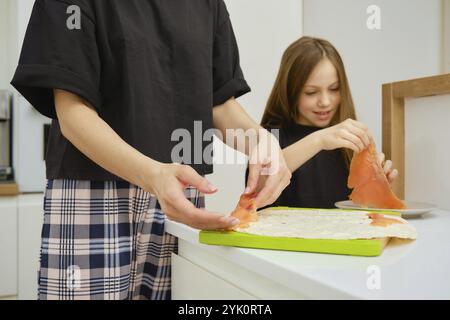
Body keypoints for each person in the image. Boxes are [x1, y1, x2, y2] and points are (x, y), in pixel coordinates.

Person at [10, 0, 291, 300]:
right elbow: (73, 114)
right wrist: (153, 175)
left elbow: (218, 102)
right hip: (92, 191)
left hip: (181, 194)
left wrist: (262, 142)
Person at [256, 36, 397, 209]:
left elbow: (360, 208)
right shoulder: (271, 136)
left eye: (334, 89)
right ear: (290, 91)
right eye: (311, 92)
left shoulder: (348, 139)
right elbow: (258, 186)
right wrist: (319, 140)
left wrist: (376, 186)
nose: (325, 101)